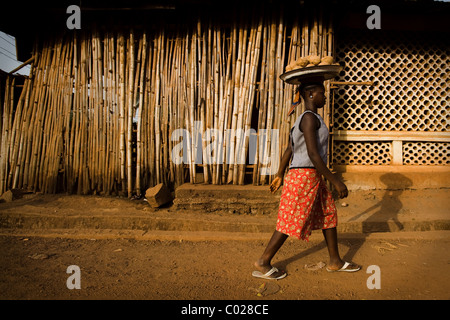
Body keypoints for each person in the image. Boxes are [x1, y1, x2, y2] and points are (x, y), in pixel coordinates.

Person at [252, 80, 361, 280]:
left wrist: (279, 175)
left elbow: (289, 149)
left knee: (328, 213)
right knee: (290, 219)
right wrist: (335, 180)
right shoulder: (310, 119)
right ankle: (263, 261)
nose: (325, 96)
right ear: (310, 95)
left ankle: (335, 261)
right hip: (305, 175)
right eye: (322, 92)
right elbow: (312, 153)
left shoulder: (303, 119)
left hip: (309, 174)